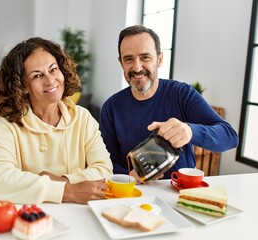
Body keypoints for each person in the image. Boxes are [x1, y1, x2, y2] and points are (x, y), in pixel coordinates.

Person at [99, 25, 238, 183]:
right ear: (121, 62)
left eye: (145, 57)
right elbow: (105, 162)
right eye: (129, 59)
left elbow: (230, 137)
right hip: (133, 192)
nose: (137, 68)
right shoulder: (111, 107)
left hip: (180, 192)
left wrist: (190, 131)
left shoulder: (182, 94)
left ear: (159, 59)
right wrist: (129, 178)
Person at [0, 37, 113, 204]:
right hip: (27, 214)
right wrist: (68, 191)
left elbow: (104, 170)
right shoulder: (6, 124)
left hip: (78, 213)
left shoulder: (83, 118)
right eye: (37, 75)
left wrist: (62, 181)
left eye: (53, 69)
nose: (50, 81)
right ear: (22, 86)